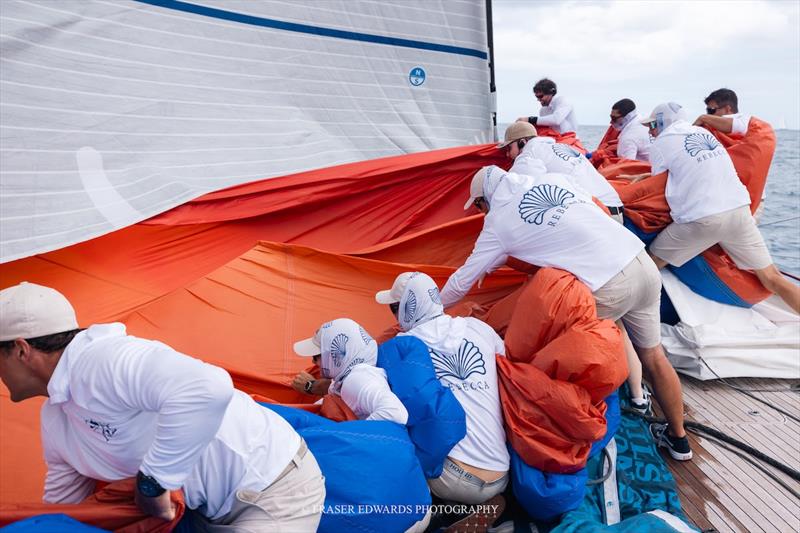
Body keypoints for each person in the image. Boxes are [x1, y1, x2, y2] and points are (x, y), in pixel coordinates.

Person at [0, 282, 325, 531]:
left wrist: (152, 482)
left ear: (20, 350)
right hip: (203, 509)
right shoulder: (56, 417)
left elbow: (207, 388)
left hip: (272, 488)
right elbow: (66, 511)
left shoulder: (103, 360)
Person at [442, 165, 694, 461]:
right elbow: (571, 227)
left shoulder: (497, 221)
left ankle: (579, 436)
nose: (482, 214)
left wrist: (433, 312)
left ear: (486, 201)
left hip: (607, 284)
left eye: (480, 207)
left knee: (570, 358)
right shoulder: (553, 179)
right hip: (641, 264)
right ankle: (679, 441)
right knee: (653, 356)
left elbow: (461, 282)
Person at [642, 102, 800, 316]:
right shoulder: (702, 132)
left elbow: (656, 184)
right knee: (772, 278)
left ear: (662, 122)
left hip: (703, 218)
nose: (650, 130)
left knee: (649, 264)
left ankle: (638, 316)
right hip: (740, 212)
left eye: (652, 124)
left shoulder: (661, 142)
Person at [375, 271, 510, 504]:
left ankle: (435, 513)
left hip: (454, 479)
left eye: (394, 309)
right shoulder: (479, 328)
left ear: (406, 308)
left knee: (387, 416)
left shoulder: (402, 348)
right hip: (502, 472)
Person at [499, 121, 625, 223]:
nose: (508, 154)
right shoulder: (562, 146)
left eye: (509, 148)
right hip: (616, 211)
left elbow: (516, 192)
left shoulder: (528, 154)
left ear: (522, 142)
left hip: (600, 215)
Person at [293, 318, 408, 424]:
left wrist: (350, 435)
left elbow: (395, 413)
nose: (313, 362)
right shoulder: (347, 378)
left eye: (316, 356)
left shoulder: (357, 379)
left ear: (336, 356)